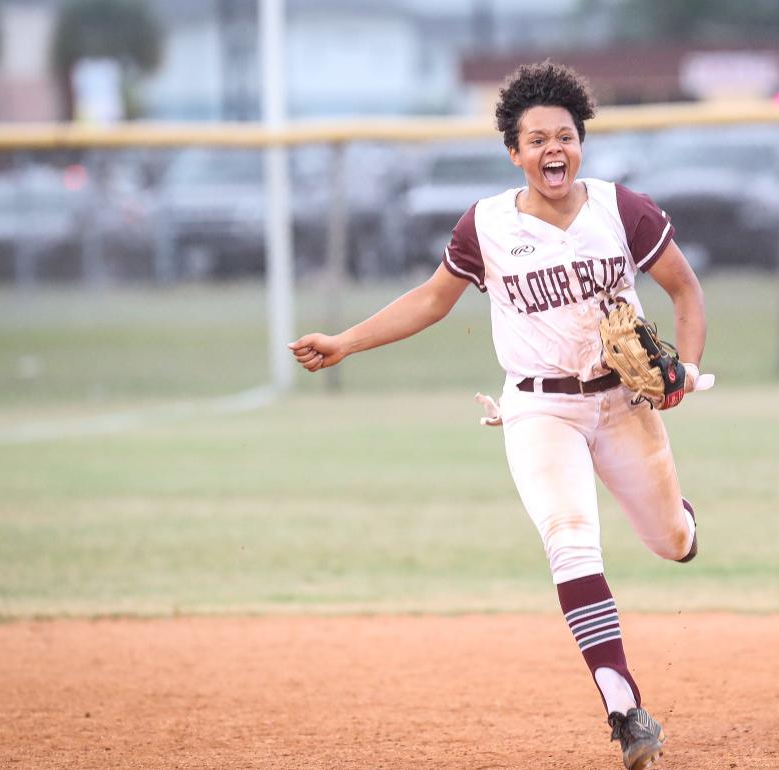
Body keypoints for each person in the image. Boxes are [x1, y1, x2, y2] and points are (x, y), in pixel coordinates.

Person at [288, 60, 706, 770]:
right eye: (536, 138)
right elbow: (430, 299)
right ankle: (626, 711)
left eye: (565, 136)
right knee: (571, 540)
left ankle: (685, 523)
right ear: (514, 152)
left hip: (624, 403)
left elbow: (686, 291)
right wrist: (345, 342)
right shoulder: (485, 225)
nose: (553, 149)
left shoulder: (622, 209)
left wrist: (686, 372)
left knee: (671, 542)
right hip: (539, 409)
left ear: (581, 144)